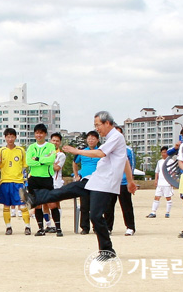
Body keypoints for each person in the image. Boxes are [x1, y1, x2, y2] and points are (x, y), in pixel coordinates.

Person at [20, 111, 136, 259]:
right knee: (65, 190)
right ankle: (34, 199)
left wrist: (76, 151)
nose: (97, 128)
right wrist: (131, 181)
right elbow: (125, 160)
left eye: (98, 125)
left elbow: (100, 153)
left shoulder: (116, 137)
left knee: (95, 216)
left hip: (105, 184)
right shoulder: (111, 139)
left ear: (107, 123)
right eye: (95, 125)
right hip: (94, 180)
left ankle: (107, 250)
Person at [0, 128, 30, 235]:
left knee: (23, 206)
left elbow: (25, 166)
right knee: (6, 206)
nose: (10, 139)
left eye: (12, 136)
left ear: (15, 137)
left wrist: (25, 180)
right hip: (5, 182)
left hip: (18, 182)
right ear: (5, 138)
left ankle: (27, 226)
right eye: (8, 137)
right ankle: (8, 227)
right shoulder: (1, 151)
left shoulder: (21, 150)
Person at [104, 126, 136, 236]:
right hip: (111, 181)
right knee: (108, 205)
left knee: (126, 205)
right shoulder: (106, 148)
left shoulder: (128, 150)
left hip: (123, 182)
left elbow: (131, 165)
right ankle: (108, 227)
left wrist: (130, 180)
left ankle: (130, 227)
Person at [26, 124, 56, 236]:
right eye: (37, 133)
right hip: (34, 178)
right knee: (37, 204)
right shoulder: (31, 147)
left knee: (51, 203)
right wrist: (44, 160)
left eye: (41, 133)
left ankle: (57, 227)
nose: (39, 135)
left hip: (46, 177)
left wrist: (38, 159)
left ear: (45, 134)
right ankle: (41, 228)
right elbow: (29, 162)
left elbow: (51, 160)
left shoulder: (50, 146)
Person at [72, 131, 101, 235]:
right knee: (84, 205)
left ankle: (97, 227)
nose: (91, 140)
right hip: (85, 180)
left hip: (98, 180)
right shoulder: (83, 152)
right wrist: (76, 175)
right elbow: (75, 163)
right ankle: (85, 227)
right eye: (89, 138)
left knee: (96, 205)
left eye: (93, 138)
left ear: (97, 140)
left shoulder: (101, 151)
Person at [147, 146, 174, 218]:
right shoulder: (160, 161)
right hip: (160, 183)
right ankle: (153, 212)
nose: (163, 154)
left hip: (167, 182)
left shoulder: (171, 161)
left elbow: (173, 172)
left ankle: (167, 212)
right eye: (162, 152)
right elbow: (157, 172)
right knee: (157, 197)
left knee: (168, 197)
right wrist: (156, 180)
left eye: (165, 152)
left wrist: (172, 181)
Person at [48, 132, 66, 236]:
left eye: (57, 141)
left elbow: (57, 168)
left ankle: (57, 225)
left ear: (59, 143)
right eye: (53, 140)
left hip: (56, 182)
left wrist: (45, 162)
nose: (55, 142)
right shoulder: (46, 152)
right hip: (46, 180)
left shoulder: (61, 155)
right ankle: (48, 224)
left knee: (55, 203)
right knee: (45, 204)